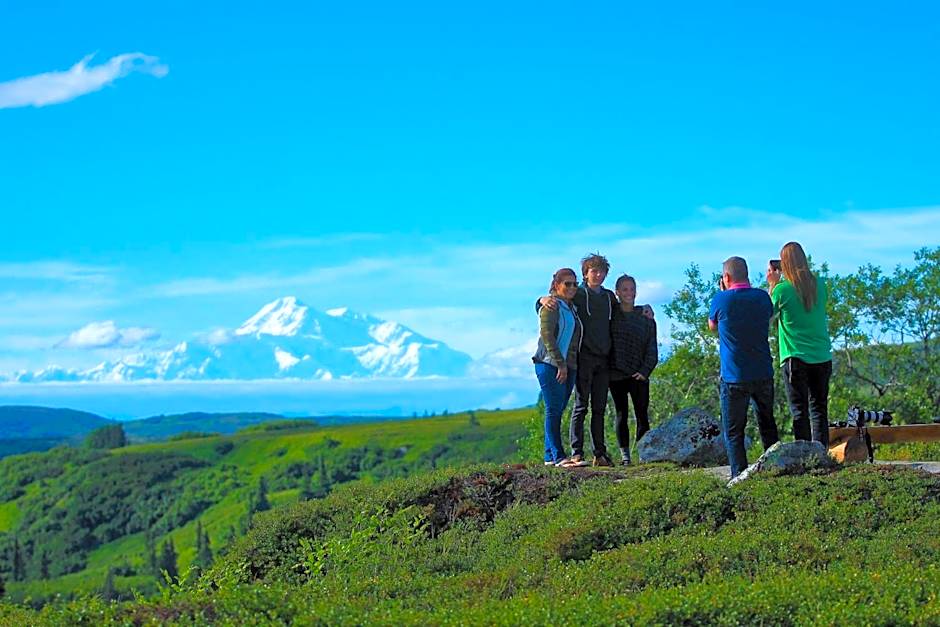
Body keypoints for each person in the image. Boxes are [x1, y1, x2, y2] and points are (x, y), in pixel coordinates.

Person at [537, 253, 616, 466]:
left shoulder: (604, 298)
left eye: (602, 271)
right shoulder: (573, 296)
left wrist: (642, 310)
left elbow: (621, 316)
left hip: (595, 360)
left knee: (595, 408)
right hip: (571, 361)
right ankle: (572, 453)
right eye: (594, 271)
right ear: (585, 274)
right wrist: (541, 299)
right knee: (574, 407)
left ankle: (597, 454)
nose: (598, 275)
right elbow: (546, 321)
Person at [708, 256, 780, 478]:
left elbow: (712, 326)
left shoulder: (721, 299)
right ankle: (776, 470)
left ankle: (739, 476)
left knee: (734, 431)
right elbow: (769, 315)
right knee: (767, 424)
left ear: (726, 277)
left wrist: (723, 293)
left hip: (734, 376)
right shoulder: (762, 297)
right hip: (763, 372)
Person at [767, 242, 833, 447]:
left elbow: (766, 316)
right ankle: (821, 453)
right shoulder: (820, 284)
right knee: (819, 409)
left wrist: (772, 285)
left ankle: (804, 455)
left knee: (799, 411)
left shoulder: (782, 290)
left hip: (795, 357)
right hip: (822, 355)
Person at [532, 267, 583, 467]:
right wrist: (560, 364)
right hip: (549, 364)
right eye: (567, 284)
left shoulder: (571, 307)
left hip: (569, 365)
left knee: (558, 409)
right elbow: (547, 336)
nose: (572, 287)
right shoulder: (551, 306)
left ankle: (549, 457)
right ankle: (559, 456)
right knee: (553, 410)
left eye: (575, 284)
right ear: (556, 285)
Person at [609, 274, 658, 465]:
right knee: (621, 413)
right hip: (616, 374)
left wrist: (645, 371)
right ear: (617, 292)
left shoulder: (645, 318)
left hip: (639, 375)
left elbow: (652, 349)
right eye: (625, 289)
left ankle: (644, 454)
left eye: (632, 289)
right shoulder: (611, 316)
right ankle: (625, 457)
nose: (629, 293)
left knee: (642, 414)